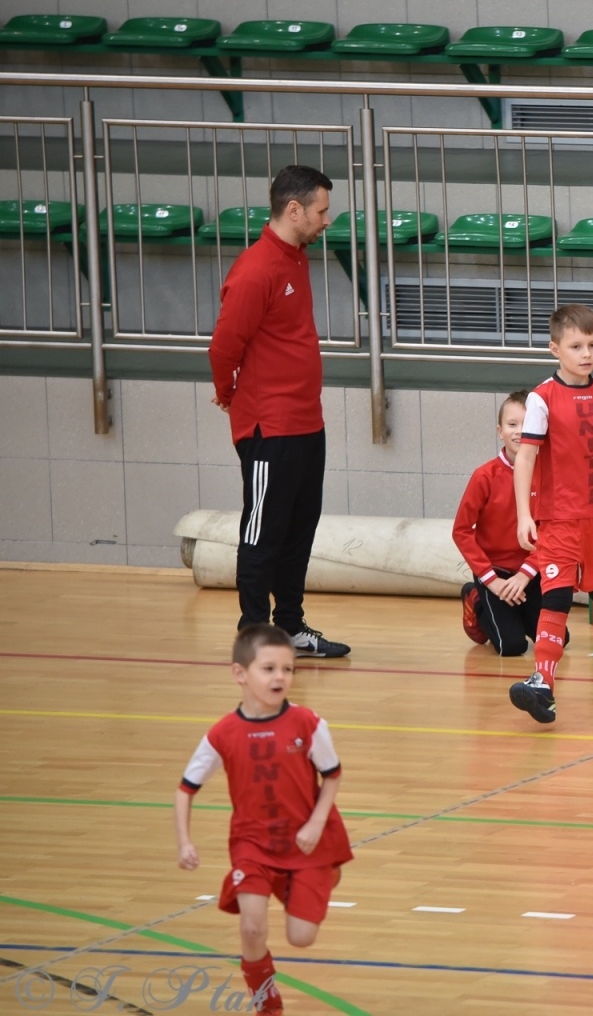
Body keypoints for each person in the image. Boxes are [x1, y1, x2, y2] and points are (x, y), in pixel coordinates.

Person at [174, 625, 352, 1016]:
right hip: (252, 844)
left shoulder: (308, 724)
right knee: (252, 928)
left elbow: (333, 775)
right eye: (268, 669)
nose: (280, 678)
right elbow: (185, 789)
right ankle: (266, 1002)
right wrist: (185, 842)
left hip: (305, 841)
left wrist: (316, 824)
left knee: (301, 938)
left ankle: (315, 876)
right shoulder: (222, 734)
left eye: (287, 670)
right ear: (240, 673)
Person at [207, 165, 348, 659]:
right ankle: (254, 632)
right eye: (321, 210)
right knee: (262, 530)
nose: (326, 220)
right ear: (294, 210)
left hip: (308, 422)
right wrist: (228, 393)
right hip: (272, 428)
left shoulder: (296, 257)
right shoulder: (256, 269)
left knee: (298, 531)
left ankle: (290, 625)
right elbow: (224, 347)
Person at [507, 304, 593, 724]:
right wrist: (523, 515)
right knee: (557, 596)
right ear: (555, 349)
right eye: (576, 346)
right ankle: (542, 682)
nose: (586, 353)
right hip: (559, 517)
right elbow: (526, 457)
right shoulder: (541, 398)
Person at [454, 390, 546, 656]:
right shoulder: (485, 476)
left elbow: (551, 531)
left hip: (529, 572)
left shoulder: (548, 474)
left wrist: (526, 573)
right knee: (512, 646)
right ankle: (476, 598)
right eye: (512, 424)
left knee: (555, 639)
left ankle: (512, 610)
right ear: (500, 430)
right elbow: (461, 531)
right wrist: (491, 580)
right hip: (493, 573)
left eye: (527, 425)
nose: (519, 432)